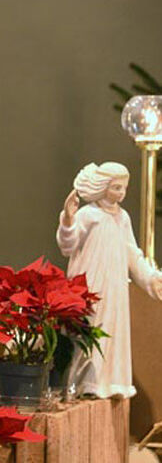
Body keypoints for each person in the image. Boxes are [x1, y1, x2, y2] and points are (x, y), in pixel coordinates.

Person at [58, 162, 162, 397]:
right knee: (89, 330)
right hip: (90, 282)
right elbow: (68, 245)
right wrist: (67, 219)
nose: (121, 193)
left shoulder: (122, 218)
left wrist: (150, 278)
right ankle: (82, 383)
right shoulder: (88, 215)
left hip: (114, 285)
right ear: (103, 187)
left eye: (124, 188)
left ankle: (108, 382)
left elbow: (131, 253)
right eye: (116, 187)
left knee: (112, 330)